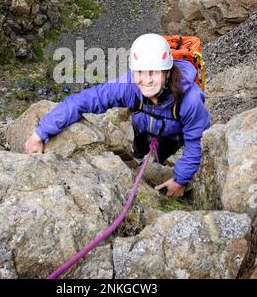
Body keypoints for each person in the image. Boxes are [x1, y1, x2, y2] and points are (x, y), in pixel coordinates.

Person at [25, 34, 211, 197]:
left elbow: (195, 144)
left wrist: (180, 180)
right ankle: (143, 159)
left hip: (173, 136)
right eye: (140, 72)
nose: (146, 80)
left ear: (168, 73)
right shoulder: (128, 87)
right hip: (143, 129)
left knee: (160, 158)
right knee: (140, 153)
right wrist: (41, 132)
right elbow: (82, 100)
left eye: (154, 72)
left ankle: (157, 162)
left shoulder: (190, 100)